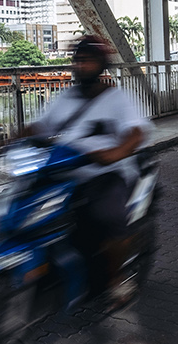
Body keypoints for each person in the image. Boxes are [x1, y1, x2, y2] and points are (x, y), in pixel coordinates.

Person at [28, 35, 151, 307]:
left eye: (88, 60)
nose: (81, 65)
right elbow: (41, 126)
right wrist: (19, 137)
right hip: (64, 172)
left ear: (101, 65)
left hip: (105, 174)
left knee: (110, 217)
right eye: (78, 60)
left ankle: (116, 278)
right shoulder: (65, 97)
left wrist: (114, 153)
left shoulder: (117, 98)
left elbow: (136, 131)